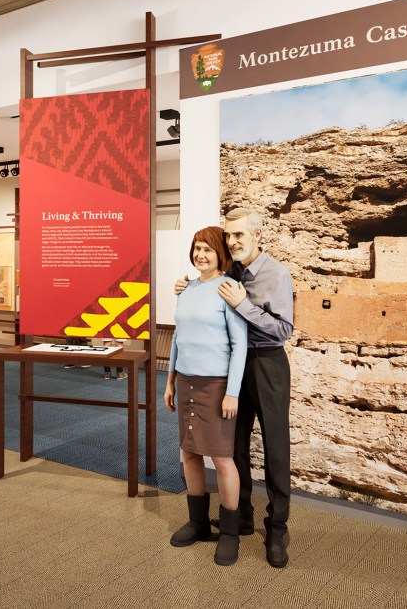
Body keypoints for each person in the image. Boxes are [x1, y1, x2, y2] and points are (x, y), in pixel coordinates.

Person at [174, 208, 294, 568]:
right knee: (234, 446)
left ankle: (277, 528)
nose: (233, 241)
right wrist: (187, 286)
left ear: (258, 235)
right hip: (232, 369)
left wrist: (243, 305)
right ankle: (240, 517)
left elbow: (283, 330)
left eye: (240, 234)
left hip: (268, 363)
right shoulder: (231, 272)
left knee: (275, 450)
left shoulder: (277, 274)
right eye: (229, 236)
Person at [165, 226, 247, 565]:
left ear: (220, 254)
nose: (201, 254)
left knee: (223, 459)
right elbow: (177, 338)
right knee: (189, 453)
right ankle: (198, 522)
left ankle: (229, 532)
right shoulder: (186, 288)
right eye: (197, 248)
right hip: (185, 380)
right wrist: (169, 380)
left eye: (208, 249)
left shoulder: (228, 288)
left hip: (216, 384)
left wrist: (232, 393)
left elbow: (240, 344)